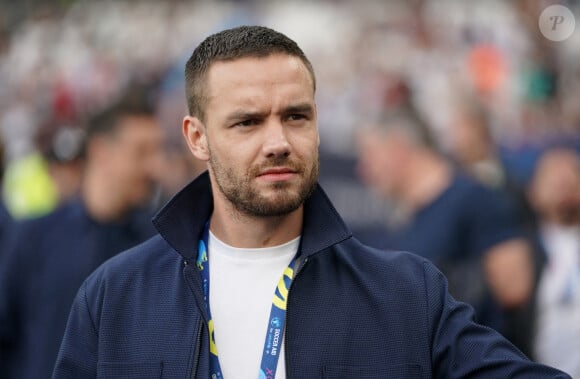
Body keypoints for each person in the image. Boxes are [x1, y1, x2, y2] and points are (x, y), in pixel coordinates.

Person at [53, 26, 570, 378]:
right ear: (196, 138)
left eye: (296, 116)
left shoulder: (407, 294)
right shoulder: (115, 297)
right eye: (247, 121)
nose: (278, 140)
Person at [0, 90, 165, 379]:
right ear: (102, 151)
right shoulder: (34, 236)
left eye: (156, 152)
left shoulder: (160, 246)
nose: (155, 167)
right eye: (141, 152)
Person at [356, 103, 536, 352]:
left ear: (398, 149)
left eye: (369, 155)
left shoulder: (476, 198)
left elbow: (515, 288)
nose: (364, 170)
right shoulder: (402, 218)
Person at [528, 148, 580, 377]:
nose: (562, 179)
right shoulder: (522, 252)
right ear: (533, 192)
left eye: (571, 172)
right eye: (552, 175)